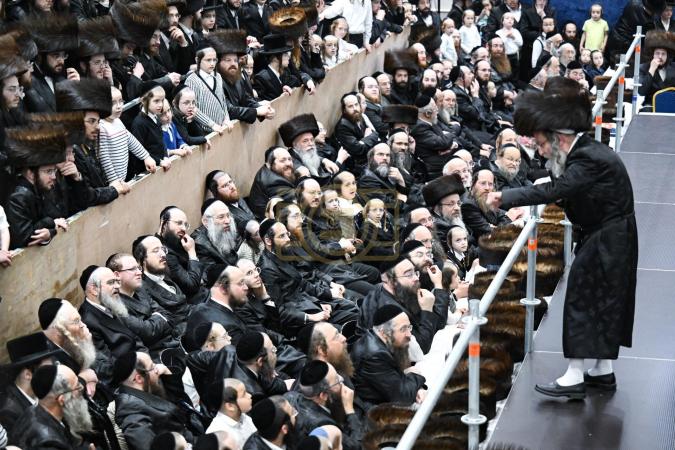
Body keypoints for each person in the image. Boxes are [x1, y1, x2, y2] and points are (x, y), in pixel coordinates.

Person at [486, 77, 638, 399]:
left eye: (542, 144)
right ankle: (602, 369)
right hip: (609, 234)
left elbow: (556, 190)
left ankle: (575, 375)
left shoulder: (587, 159)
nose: (540, 151)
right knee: (603, 299)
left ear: (559, 139)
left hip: (608, 237)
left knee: (582, 299)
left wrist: (506, 197)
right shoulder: (587, 151)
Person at [351, 304, 427, 407]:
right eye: (403, 329)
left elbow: (399, 381)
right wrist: (415, 375)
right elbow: (402, 397)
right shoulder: (375, 356)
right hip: (377, 410)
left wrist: (418, 388)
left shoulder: (382, 340)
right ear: (384, 333)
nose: (409, 334)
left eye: (409, 327)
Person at [12, 364, 94, 449]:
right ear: (62, 400)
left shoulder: (32, 410)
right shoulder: (50, 444)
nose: (81, 388)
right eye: (77, 387)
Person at [290, 360, 363, 450]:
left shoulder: (290, 396)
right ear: (323, 395)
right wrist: (350, 411)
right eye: (337, 380)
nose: (342, 379)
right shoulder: (325, 426)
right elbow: (357, 446)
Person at [99, 86, 157, 183]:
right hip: (112, 182)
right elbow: (105, 159)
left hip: (122, 178)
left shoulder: (118, 121)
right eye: (113, 103)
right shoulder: (101, 127)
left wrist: (146, 157)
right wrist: (114, 181)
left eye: (120, 101)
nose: (119, 106)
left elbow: (131, 140)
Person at [205, 378, 256, 446]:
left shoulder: (244, 417)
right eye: (244, 394)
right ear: (230, 406)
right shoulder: (218, 435)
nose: (249, 395)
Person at [638, 30, 675, 110]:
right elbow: (641, 91)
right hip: (651, 105)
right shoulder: (643, 68)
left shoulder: (673, 67)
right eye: (657, 53)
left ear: (667, 56)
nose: (660, 57)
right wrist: (651, 70)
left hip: (672, 104)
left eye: (663, 54)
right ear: (653, 55)